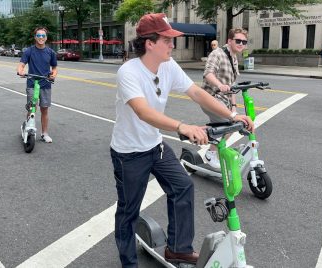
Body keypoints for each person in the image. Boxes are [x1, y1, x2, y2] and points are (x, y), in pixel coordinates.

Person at [109, 14, 254, 268]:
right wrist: (182, 126)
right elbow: (143, 112)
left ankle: (178, 249)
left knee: (183, 186)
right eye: (167, 40)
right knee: (128, 210)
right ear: (149, 43)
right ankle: (128, 263)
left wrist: (232, 114)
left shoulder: (168, 66)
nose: (172, 45)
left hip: (155, 147)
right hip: (129, 153)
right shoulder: (128, 72)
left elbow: (196, 92)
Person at [201, 28, 248, 169]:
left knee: (234, 124)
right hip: (211, 98)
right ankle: (211, 153)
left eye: (244, 42)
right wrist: (220, 85)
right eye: (238, 41)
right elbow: (208, 74)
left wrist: (234, 106)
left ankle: (216, 150)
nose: (241, 44)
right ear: (229, 41)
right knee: (228, 124)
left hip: (224, 100)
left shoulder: (233, 58)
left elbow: (232, 85)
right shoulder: (217, 54)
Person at [17, 27, 58, 143]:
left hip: (45, 84)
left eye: (43, 36)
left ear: (46, 38)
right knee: (31, 108)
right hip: (32, 83)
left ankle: (44, 133)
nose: (41, 38)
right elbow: (21, 64)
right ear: (35, 37)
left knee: (44, 110)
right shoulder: (29, 51)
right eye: (38, 36)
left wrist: (53, 75)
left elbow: (54, 68)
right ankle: (28, 129)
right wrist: (20, 71)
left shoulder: (51, 52)